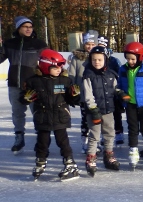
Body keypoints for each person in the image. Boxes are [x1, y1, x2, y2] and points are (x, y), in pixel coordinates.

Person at [21, 49, 82, 180]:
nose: (59, 70)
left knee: (63, 141)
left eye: (60, 67)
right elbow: (22, 98)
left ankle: (70, 163)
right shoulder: (33, 81)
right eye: (55, 67)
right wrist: (26, 98)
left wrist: (75, 96)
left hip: (60, 116)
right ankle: (40, 161)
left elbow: (72, 101)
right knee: (42, 141)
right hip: (42, 116)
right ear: (45, 66)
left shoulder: (65, 81)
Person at [0, 16, 49, 152]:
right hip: (15, 84)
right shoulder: (10, 44)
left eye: (30, 27)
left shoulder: (39, 44)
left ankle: (41, 139)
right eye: (25, 27)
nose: (28, 29)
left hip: (34, 85)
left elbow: (49, 61)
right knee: (17, 113)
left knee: (38, 112)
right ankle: (19, 137)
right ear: (18, 28)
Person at [117, 42, 143, 167]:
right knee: (132, 129)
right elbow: (120, 86)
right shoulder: (123, 69)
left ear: (140, 57)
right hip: (130, 104)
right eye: (128, 58)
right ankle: (133, 150)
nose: (130, 61)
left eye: (133, 59)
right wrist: (120, 97)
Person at [81, 46, 121, 175]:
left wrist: (120, 94)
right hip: (94, 111)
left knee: (110, 133)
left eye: (99, 59)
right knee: (94, 135)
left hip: (108, 110)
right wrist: (93, 109)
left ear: (105, 60)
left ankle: (108, 154)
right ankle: (91, 157)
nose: (96, 62)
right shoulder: (88, 75)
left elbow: (115, 88)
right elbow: (87, 95)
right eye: (94, 60)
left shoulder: (111, 74)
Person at [68, 30, 98, 152]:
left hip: (98, 94)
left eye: (93, 44)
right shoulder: (77, 58)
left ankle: (96, 141)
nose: (90, 47)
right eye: (87, 44)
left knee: (97, 118)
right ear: (83, 44)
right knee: (85, 119)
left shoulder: (99, 57)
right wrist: (73, 91)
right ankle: (85, 141)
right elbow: (71, 76)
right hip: (83, 95)